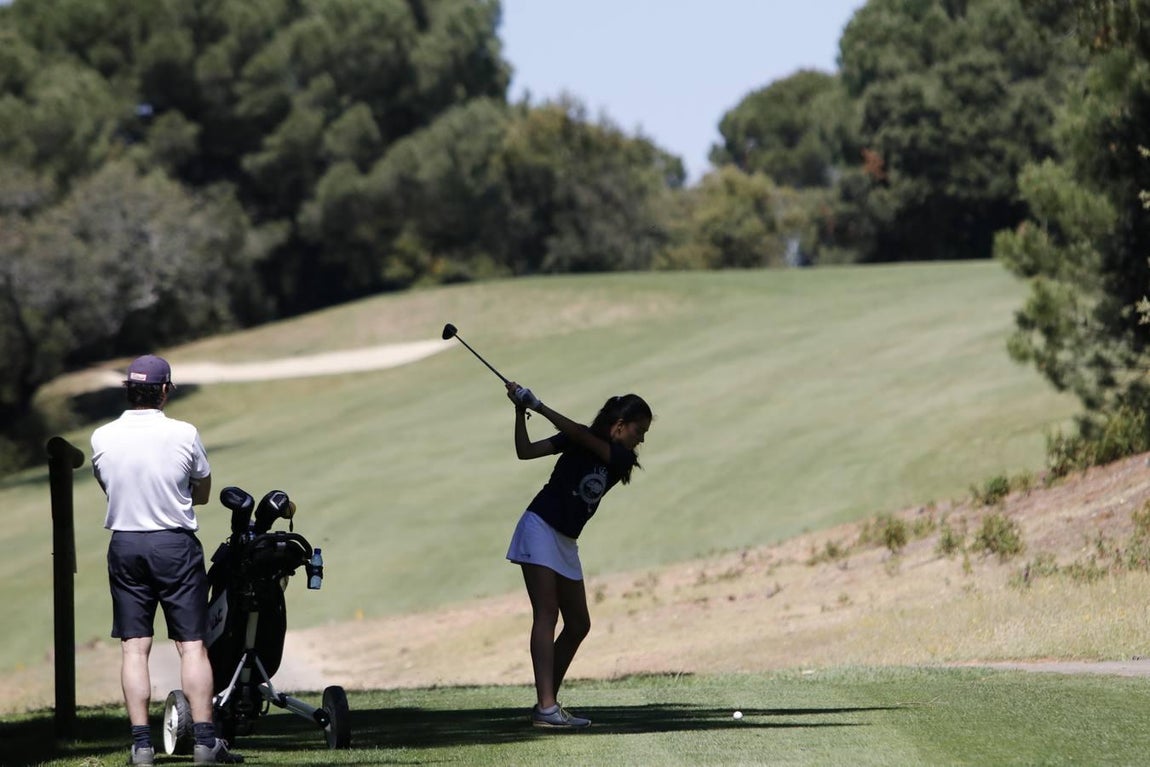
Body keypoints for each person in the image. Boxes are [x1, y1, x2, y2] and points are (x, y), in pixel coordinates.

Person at [91, 355, 243, 766]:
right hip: (174, 547)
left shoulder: (102, 437)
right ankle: (206, 744)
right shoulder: (184, 433)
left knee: (134, 648)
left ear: (128, 389)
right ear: (163, 390)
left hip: (125, 545)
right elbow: (204, 491)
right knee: (192, 646)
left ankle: (141, 746)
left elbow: (108, 486)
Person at [503, 381, 653, 729]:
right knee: (547, 613)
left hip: (566, 541)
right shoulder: (582, 437)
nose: (641, 439)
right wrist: (521, 411)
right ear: (619, 425)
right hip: (539, 526)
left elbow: (584, 437)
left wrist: (539, 404)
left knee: (579, 624)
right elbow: (524, 451)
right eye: (639, 430)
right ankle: (546, 707)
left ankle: (547, 704)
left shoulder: (620, 457)